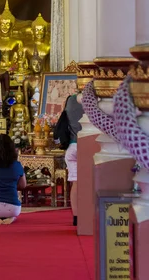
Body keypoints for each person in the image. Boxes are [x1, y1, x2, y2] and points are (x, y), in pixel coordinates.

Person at [64, 93, 84, 227]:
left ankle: (76, 216)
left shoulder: (70, 100)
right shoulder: (94, 99)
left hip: (72, 146)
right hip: (87, 144)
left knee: (76, 182)